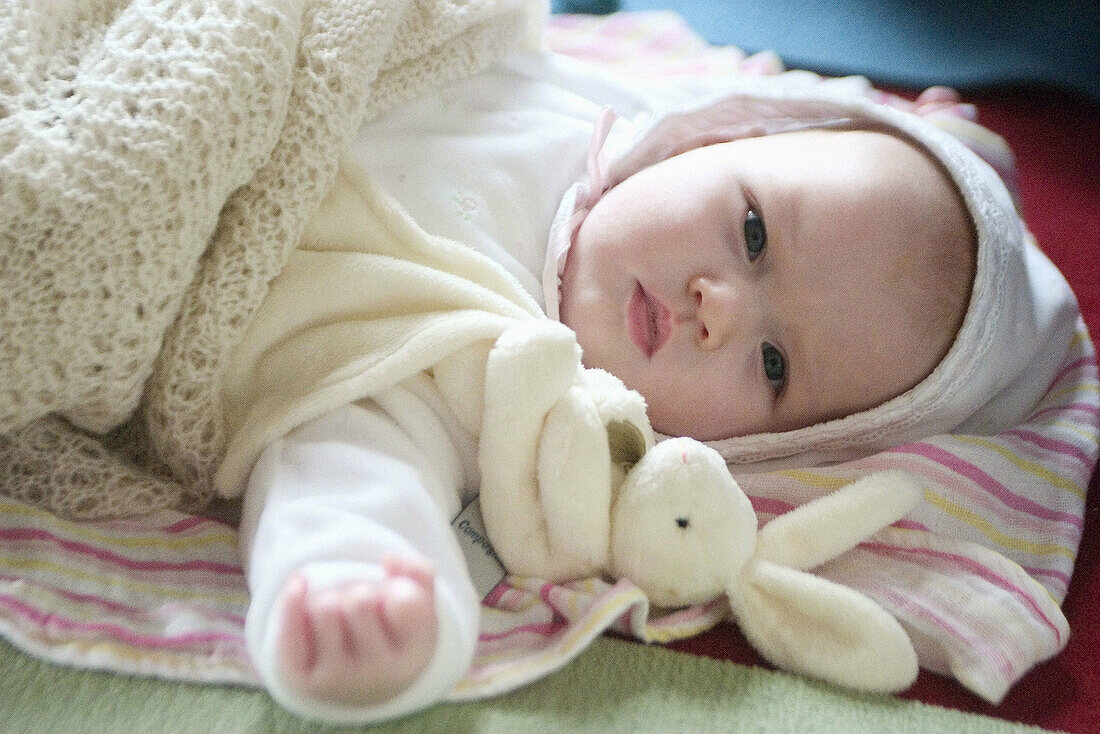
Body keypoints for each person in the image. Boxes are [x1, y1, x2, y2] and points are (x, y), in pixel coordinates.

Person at [219, 47, 1066, 724]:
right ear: (708, 142)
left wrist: (357, 580)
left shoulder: (503, 385)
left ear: (762, 449)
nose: (719, 307)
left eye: (773, 366)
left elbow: (348, 461)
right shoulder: (581, 92)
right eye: (754, 231)